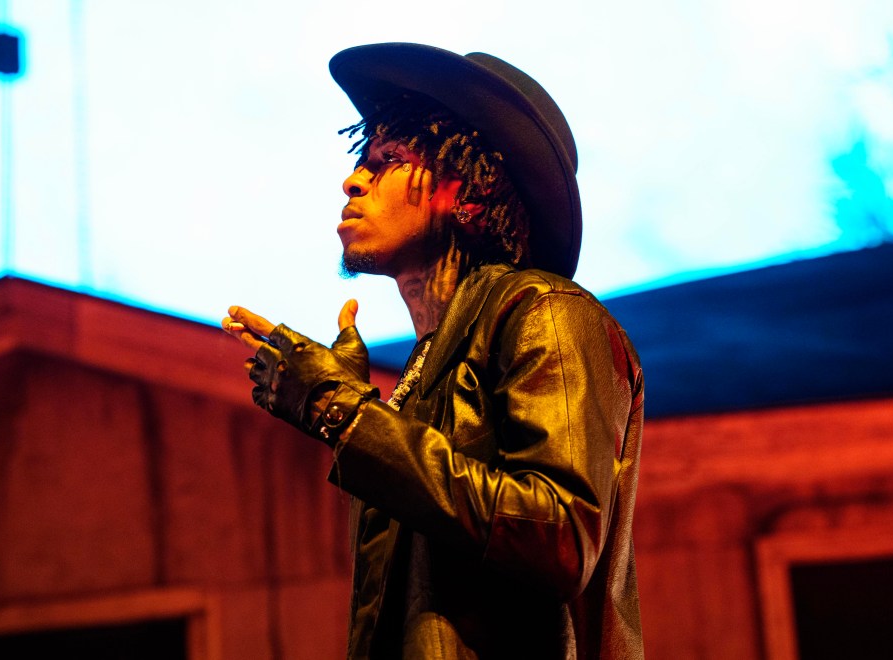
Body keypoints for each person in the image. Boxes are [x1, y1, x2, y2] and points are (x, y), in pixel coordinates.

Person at [223, 43, 644, 659]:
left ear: (468, 196)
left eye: (389, 160)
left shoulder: (545, 312)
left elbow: (558, 536)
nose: (354, 177)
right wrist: (360, 418)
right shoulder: (424, 374)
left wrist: (344, 411)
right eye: (364, 158)